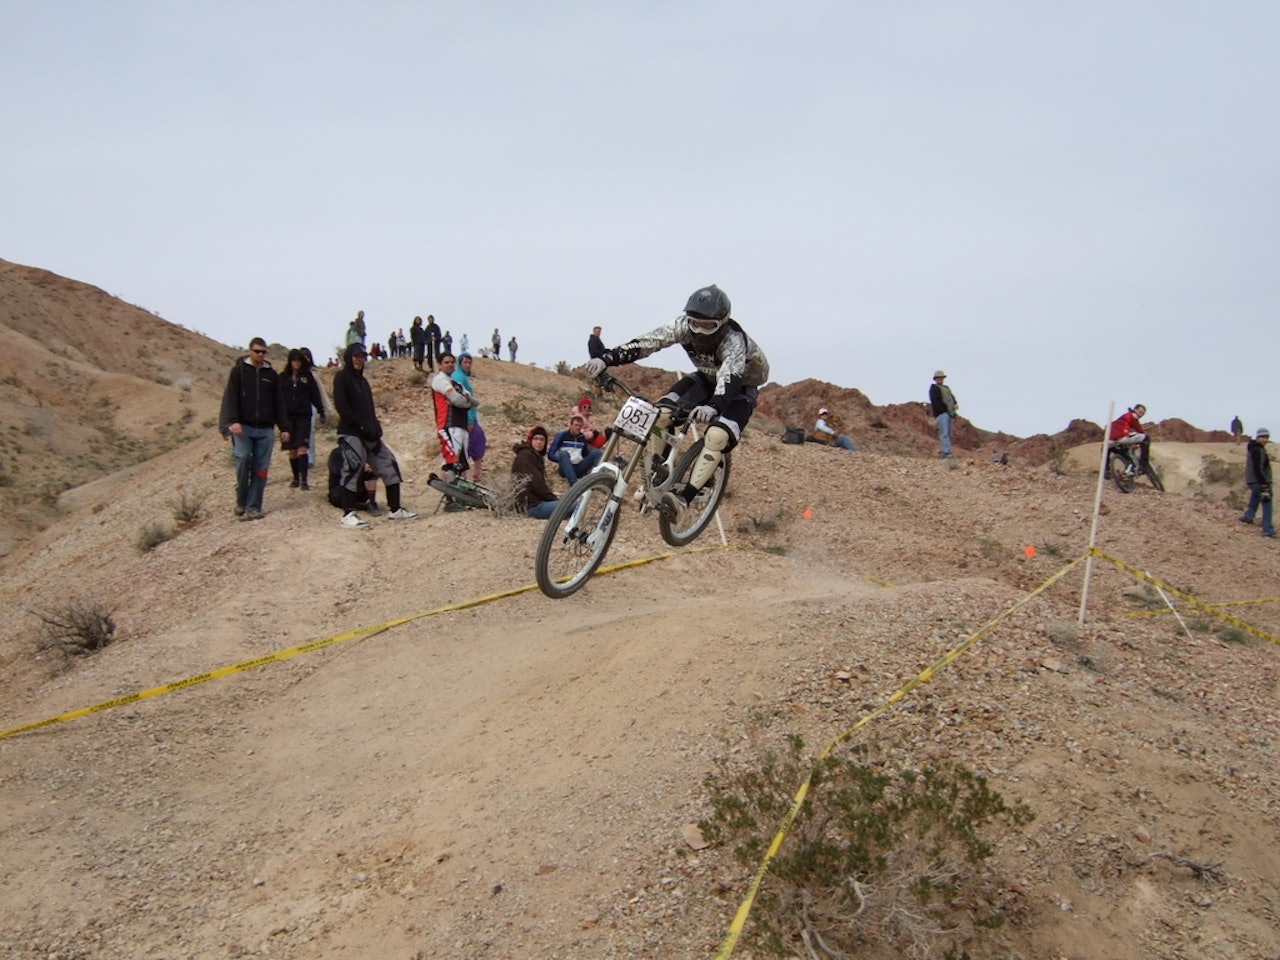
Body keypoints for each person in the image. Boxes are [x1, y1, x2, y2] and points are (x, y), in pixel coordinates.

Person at [585, 284, 769, 513]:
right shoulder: (682, 326)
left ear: (722, 323)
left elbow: (730, 378)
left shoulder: (733, 340)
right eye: (695, 323)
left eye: (708, 326)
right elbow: (647, 342)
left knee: (717, 435)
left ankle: (684, 500)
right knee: (661, 414)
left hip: (740, 388)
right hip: (705, 378)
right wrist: (607, 358)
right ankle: (659, 472)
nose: (700, 331)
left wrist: (714, 406)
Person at [332, 342, 418, 526]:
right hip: (350, 433)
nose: (359, 360)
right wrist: (360, 426)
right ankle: (348, 514)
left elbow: (369, 409)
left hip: (370, 434)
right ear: (349, 357)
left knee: (389, 464)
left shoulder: (363, 382)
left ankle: (395, 509)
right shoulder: (342, 377)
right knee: (353, 468)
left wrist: (375, 428)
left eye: (362, 356)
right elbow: (341, 406)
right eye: (356, 356)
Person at [219, 337, 288, 520]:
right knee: (242, 459)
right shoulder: (239, 372)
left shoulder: (271, 375)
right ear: (250, 351)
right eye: (257, 351)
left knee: (261, 469)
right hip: (244, 427)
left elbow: (278, 403)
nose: (260, 355)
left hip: (265, 429)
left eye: (263, 352)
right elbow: (231, 398)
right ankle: (241, 500)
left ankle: (254, 506)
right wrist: (232, 421)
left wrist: (284, 427)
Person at [278, 348, 326, 490]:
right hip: (288, 418)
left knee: (302, 448)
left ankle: (304, 480)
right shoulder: (283, 378)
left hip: (303, 416)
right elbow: (277, 398)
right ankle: (295, 478)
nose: (296, 364)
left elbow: (315, 394)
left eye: (299, 361)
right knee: (292, 451)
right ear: (290, 361)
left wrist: (321, 411)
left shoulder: (307, 377)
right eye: (294, 361)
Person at [431, 352, 480, 475]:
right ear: (440, 365)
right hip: (448, 423)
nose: (450, 365)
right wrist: (464, 400)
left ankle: (458, 490)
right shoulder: (439, 380)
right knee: (451, 460)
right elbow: (457, 400)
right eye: (446, 362)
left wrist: (464, 401)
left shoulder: (456, 383)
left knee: (461, 462)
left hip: (461, 423)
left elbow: (475, 402)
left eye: (452, 362)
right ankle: (449, 490)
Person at [510, 426, 560, 519]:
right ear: (530, 440)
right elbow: (536, 484)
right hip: (530, 506)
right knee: (572, 505)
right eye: (536, 439)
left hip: (535, 502)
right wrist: (554, 499)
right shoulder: (526, 456)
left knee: (568, 504)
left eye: (542, 439)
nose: (539, 442)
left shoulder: (535, 456)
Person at [451, 352, 487, 479]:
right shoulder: (459, 377)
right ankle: (470, 477)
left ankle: (473, 476)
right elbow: (464, 400)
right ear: (459, 363)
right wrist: (470, 420)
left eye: (469, 362)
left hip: (468, 418)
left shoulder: (462, 377)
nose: (468, 365)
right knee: (468, 449)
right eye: (465, 362)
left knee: (474, 445)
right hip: (466, 419)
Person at [1239, 427, 1274, 538]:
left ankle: (1249, 516)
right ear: (1258, 437)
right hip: (1259, 481)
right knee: (1267, 503)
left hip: (1252, 481)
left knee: (1255, 496)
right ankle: (1267, 529)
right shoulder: (1258, 450)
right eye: (1262, 437)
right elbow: (1259, 468)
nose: (1265, 440)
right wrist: (1264, 484)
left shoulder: (1253, 447)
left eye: (1267, 437)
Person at [549, 415, 603, 485]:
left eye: (580, 426)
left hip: (578, 467)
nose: (578, 427)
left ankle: (594, 480)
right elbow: (551, 455)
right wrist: (562, 460)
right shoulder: (563, 435)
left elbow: (585, 454)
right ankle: (574, 483)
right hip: (565, 467)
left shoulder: (581, 438)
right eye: (576, 425)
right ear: (571, 425)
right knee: (564, 454)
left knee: (598, 453)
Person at [327, 446, 377, 513]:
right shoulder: (338, 453)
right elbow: (337, 471)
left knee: (371, 475)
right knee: (337, 495)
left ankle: (371, 502)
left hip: (359, 489)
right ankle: (355, 505)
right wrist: (360, 469)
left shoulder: (363, 452)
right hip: (341, 487)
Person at [1108, 403, 1150, 472]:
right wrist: (1142, 435)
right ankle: (1143, 465)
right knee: (1146, 438)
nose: (1141, 415)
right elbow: (1139, 429)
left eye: (1143, 414)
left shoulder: (1124, 417)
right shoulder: (1132, 415)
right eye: (1140, 412)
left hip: (1112, 439)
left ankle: (1107, 471)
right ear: (1135, 410)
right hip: (1122, 437)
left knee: (1108, 449)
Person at [928, 370, 958, 458]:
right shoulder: (934, 388)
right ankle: (946, 452)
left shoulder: (946, 388)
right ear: (935, 379)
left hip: (949, 414)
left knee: (947, 434)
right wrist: (943, 410)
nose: (940, 379)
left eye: (941, 378)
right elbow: (935, 401)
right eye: (938, 378)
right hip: (942, 414)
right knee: (944, 433)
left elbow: (952, 398)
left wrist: (954, 405)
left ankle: (946, 451)